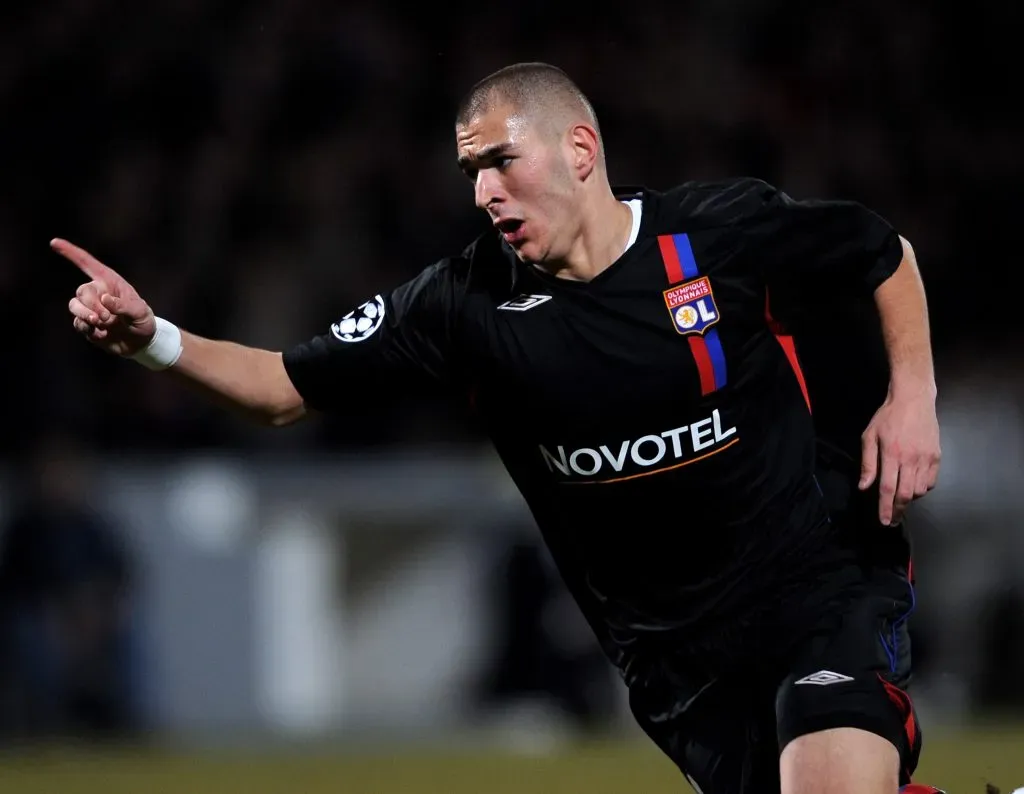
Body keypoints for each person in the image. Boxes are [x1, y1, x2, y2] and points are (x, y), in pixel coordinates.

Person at [55, 62, 942, 793]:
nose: (484, 192)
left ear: (580, 150)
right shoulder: (466, 305)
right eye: (471, 172)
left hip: (818, 580)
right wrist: (152, 341)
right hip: (679, 664)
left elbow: (880, 251)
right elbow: (284, 385)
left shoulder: (715, 237)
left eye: (502, 162)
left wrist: (912, 396)